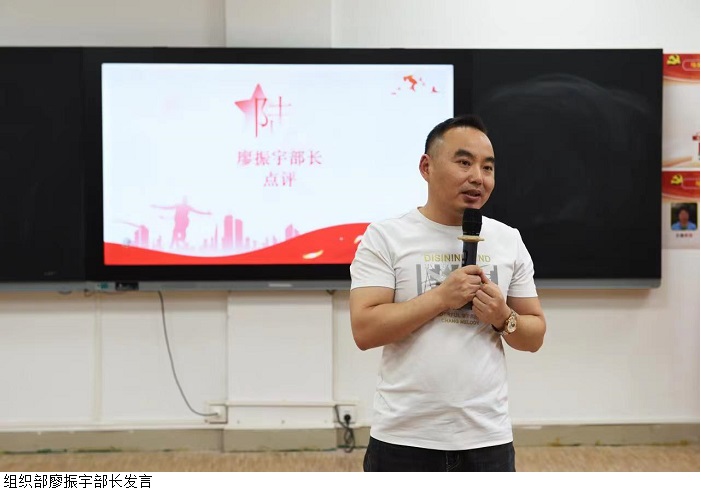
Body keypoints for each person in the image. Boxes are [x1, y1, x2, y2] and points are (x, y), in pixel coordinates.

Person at [349, 115, 546, 472]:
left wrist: (503, 317)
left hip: (486, 439)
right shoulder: (386, 237)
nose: (478, 177)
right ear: (427, 167)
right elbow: (365, 330)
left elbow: (534, 335)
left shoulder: (508, 239)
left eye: (488, 167)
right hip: (404, 438)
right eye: (464, 162)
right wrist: (441, 298)